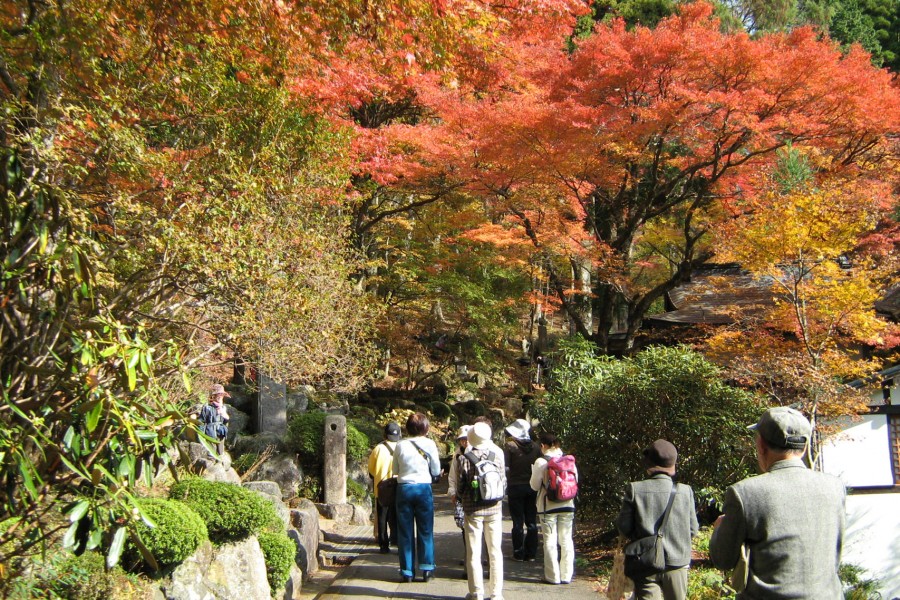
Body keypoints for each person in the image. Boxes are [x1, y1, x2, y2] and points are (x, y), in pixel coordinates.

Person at [709, 407, 846, 600]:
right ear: (804, 447)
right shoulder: (835, 487)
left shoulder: (744, 493)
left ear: (761, 445)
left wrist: (718, 530)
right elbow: (836, 554)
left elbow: (723, 559)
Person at [616, 439, 699, 600]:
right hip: (677, 562)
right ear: (673, 465)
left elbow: (624, 528)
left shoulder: (635, 489)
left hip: (645, 562)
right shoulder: (685, 491)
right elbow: (693, 529)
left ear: (649, 465)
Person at [458, 422, 507, 600]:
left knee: (474, 552)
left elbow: (461, 487)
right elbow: (503, 482)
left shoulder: (465, 458)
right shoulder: (497, 456)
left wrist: (461, 498)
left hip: (473, 510)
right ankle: (496, 594)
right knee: (495, 551)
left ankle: (476, 593)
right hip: (494, 508)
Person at [392, 412, 441, 583]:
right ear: (425, 428)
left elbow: (395, 470)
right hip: (423, 489)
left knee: (404, 531)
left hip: (404, 488)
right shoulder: (430, 444)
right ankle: (427, 568)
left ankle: (407, 571)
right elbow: (436, 470)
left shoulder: (400, 445)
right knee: (425, 529)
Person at [530, 432, 577, 585]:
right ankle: (566, 575)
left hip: (547, 506)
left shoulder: (541, 462)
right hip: (568, 505)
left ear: (543, 445)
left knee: (550, 540)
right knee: (566, 539)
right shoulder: (569, 460)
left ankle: (552, 576)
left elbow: (534, 485)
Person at [504, 418, 541, 561]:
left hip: (515, 487)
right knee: (531, 521)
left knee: (517, 521)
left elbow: (506, 467)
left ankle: (518, 552)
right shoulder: (536, 447)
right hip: (532, 487)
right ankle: (531, 553)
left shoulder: (510, 446)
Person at [368, 421, 401, 553]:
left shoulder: (378, 449)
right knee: (397, 515)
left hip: (381, 488)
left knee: (382, 516)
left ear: (384, 434)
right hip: (398, 486)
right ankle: (397, 541)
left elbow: (371, 470)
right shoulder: (402, 447)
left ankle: (383, 544)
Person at [448, 425, 471, 575]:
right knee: (464, 528)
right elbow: (452, 475)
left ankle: (472, 561)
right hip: (461, 497)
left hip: (475, 497)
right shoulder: (457, 455)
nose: (464, 442)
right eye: (462, 440)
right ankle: (469, 557)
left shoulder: (477, 453)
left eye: (466, 439)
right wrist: (452, 492)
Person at [198, 384, 230, 457]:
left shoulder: (223, 407)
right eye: (218, 395)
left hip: (221, 433)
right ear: (213, 396)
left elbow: (225, 422)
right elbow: (201, 421)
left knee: (220, 453)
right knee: (211, 454)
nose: (219, 397)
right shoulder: (207, 407)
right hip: (210, 433)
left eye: (221, 395)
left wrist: (225, 417)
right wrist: (201, 435)